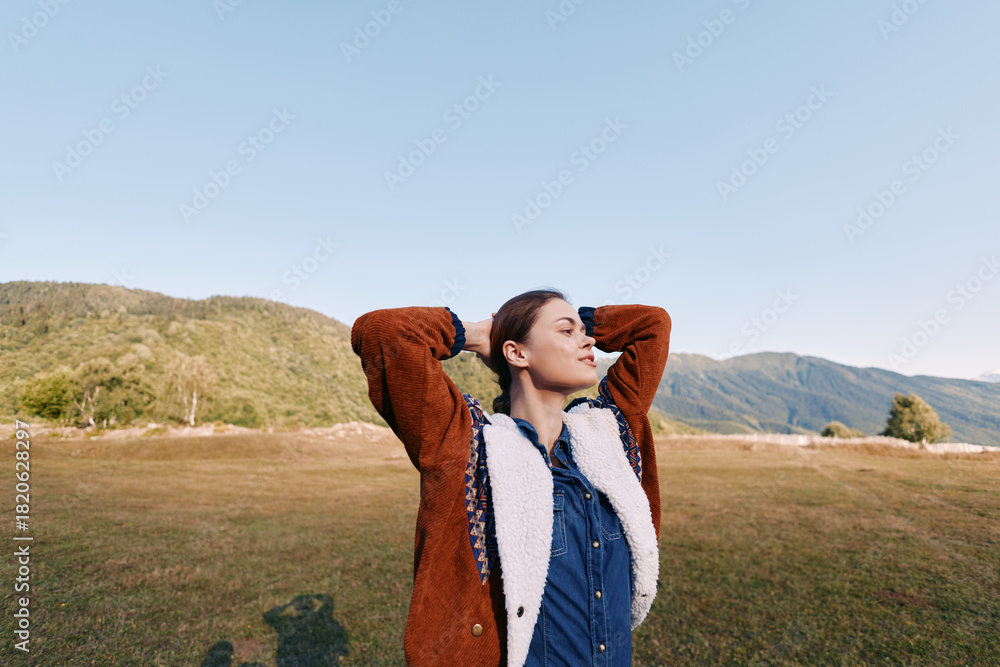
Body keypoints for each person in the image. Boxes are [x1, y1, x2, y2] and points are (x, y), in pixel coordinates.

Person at [350, 287, 671, 666]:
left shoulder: (609, 434)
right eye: (567, 331)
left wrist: (579, 322)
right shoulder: (468, 447)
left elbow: (653, 326)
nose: (588, 340)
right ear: (517, 352)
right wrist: (479, 333)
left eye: (583, 331)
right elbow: (383, 332)